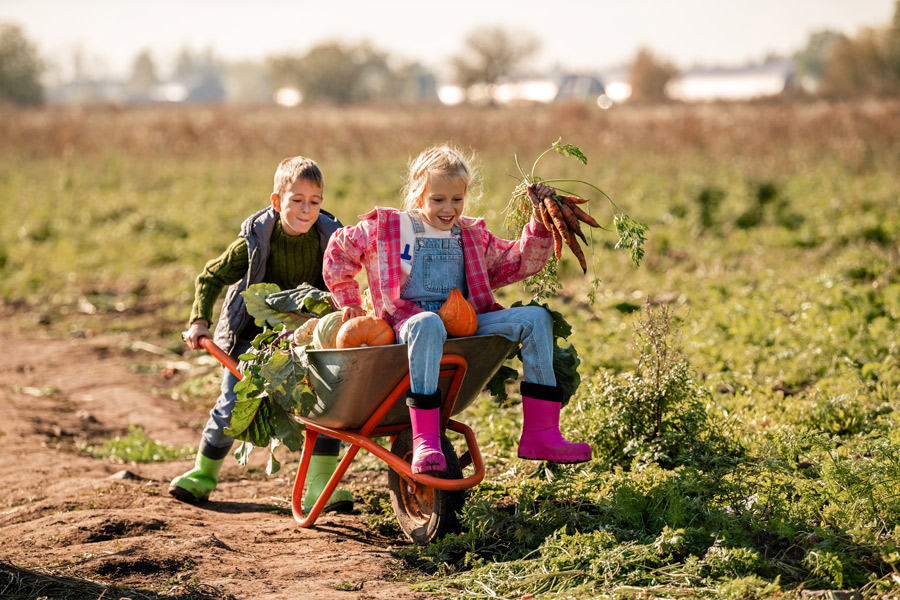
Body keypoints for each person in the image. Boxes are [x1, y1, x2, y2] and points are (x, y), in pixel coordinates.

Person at [323, 145, 591, 474]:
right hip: (409, 324)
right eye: (438, 199)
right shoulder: (389, 228)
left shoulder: (470, 235)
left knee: (535, 318)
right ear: (418, 194)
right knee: (428, 324)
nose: (448, 209)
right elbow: (339, 249)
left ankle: (541, 433)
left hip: (464, 322)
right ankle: (426, 439)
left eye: (456, 200)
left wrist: (539, 219)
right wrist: (349, 301)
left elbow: (519, 262)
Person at [170, 155, 354, 511]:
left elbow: (350, 279)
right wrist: (198, 321)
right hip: (251, 340)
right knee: (233, 405)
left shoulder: (329, 239)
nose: (306, 209)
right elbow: (209, 277)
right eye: (296, 200)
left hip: (305, 338)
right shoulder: (255, 242)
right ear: (276, 201)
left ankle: (318, 489)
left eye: (314, 202)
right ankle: (202, 475)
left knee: (327, 408)